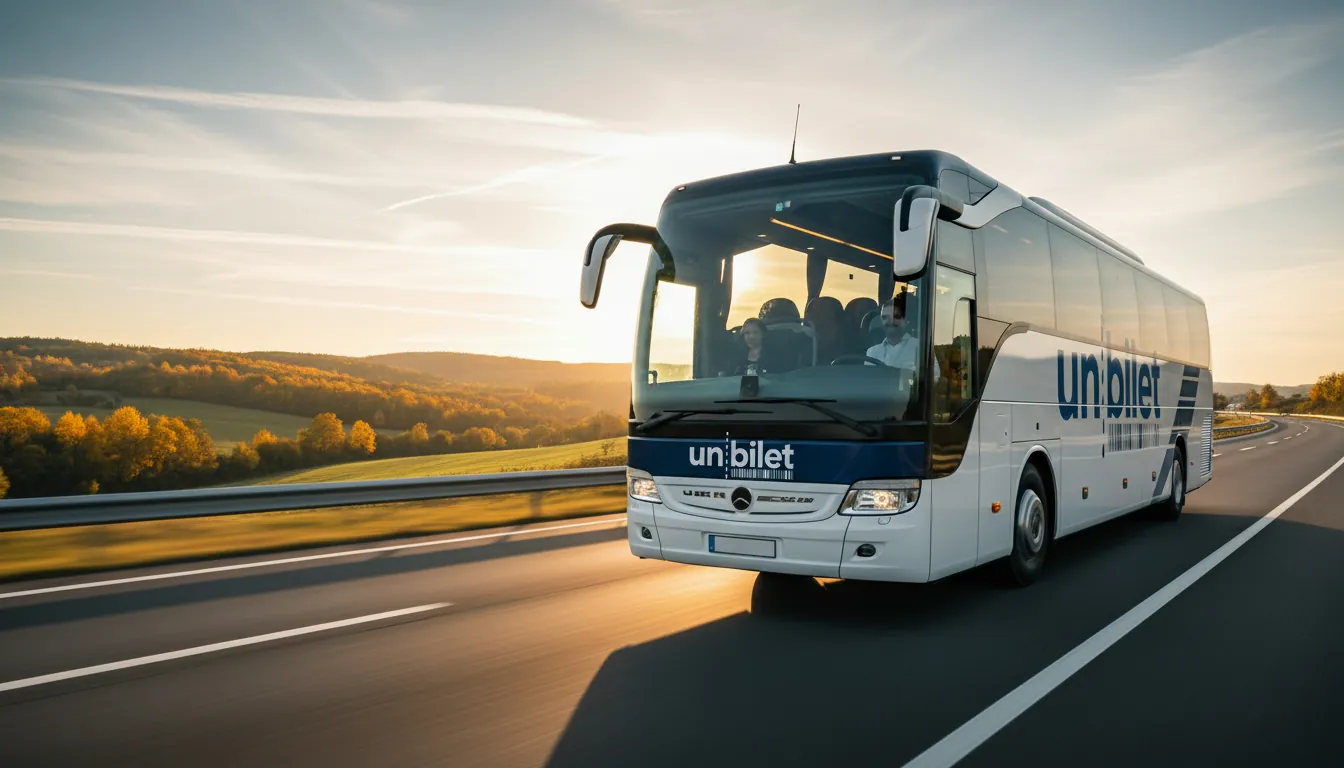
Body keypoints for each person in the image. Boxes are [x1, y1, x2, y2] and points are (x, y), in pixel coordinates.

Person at [866, 297, 940, 380]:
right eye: (885, 317)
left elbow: (934, 378)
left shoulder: (921, 348)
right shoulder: (872, 352)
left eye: (896, 316)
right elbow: (867, 381)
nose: (890, 321)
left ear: (906, 320)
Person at [721, 317, 788, 376]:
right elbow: (727, 376)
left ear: (763, 334)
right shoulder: (737, 356)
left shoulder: (774, 357)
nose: (751, 337)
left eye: (755, 333)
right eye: (747, 333)